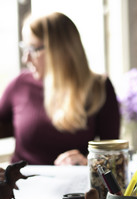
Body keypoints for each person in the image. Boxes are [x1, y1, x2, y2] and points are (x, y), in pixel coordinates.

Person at [0, 12, 120, 165]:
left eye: (34, 49)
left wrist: (87, 163)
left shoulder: (99, 87)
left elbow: (113, 159)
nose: (26, 59)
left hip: (74, 186)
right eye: (25, 48)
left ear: (61, 50)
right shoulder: (20, 84)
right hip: (21, 185)